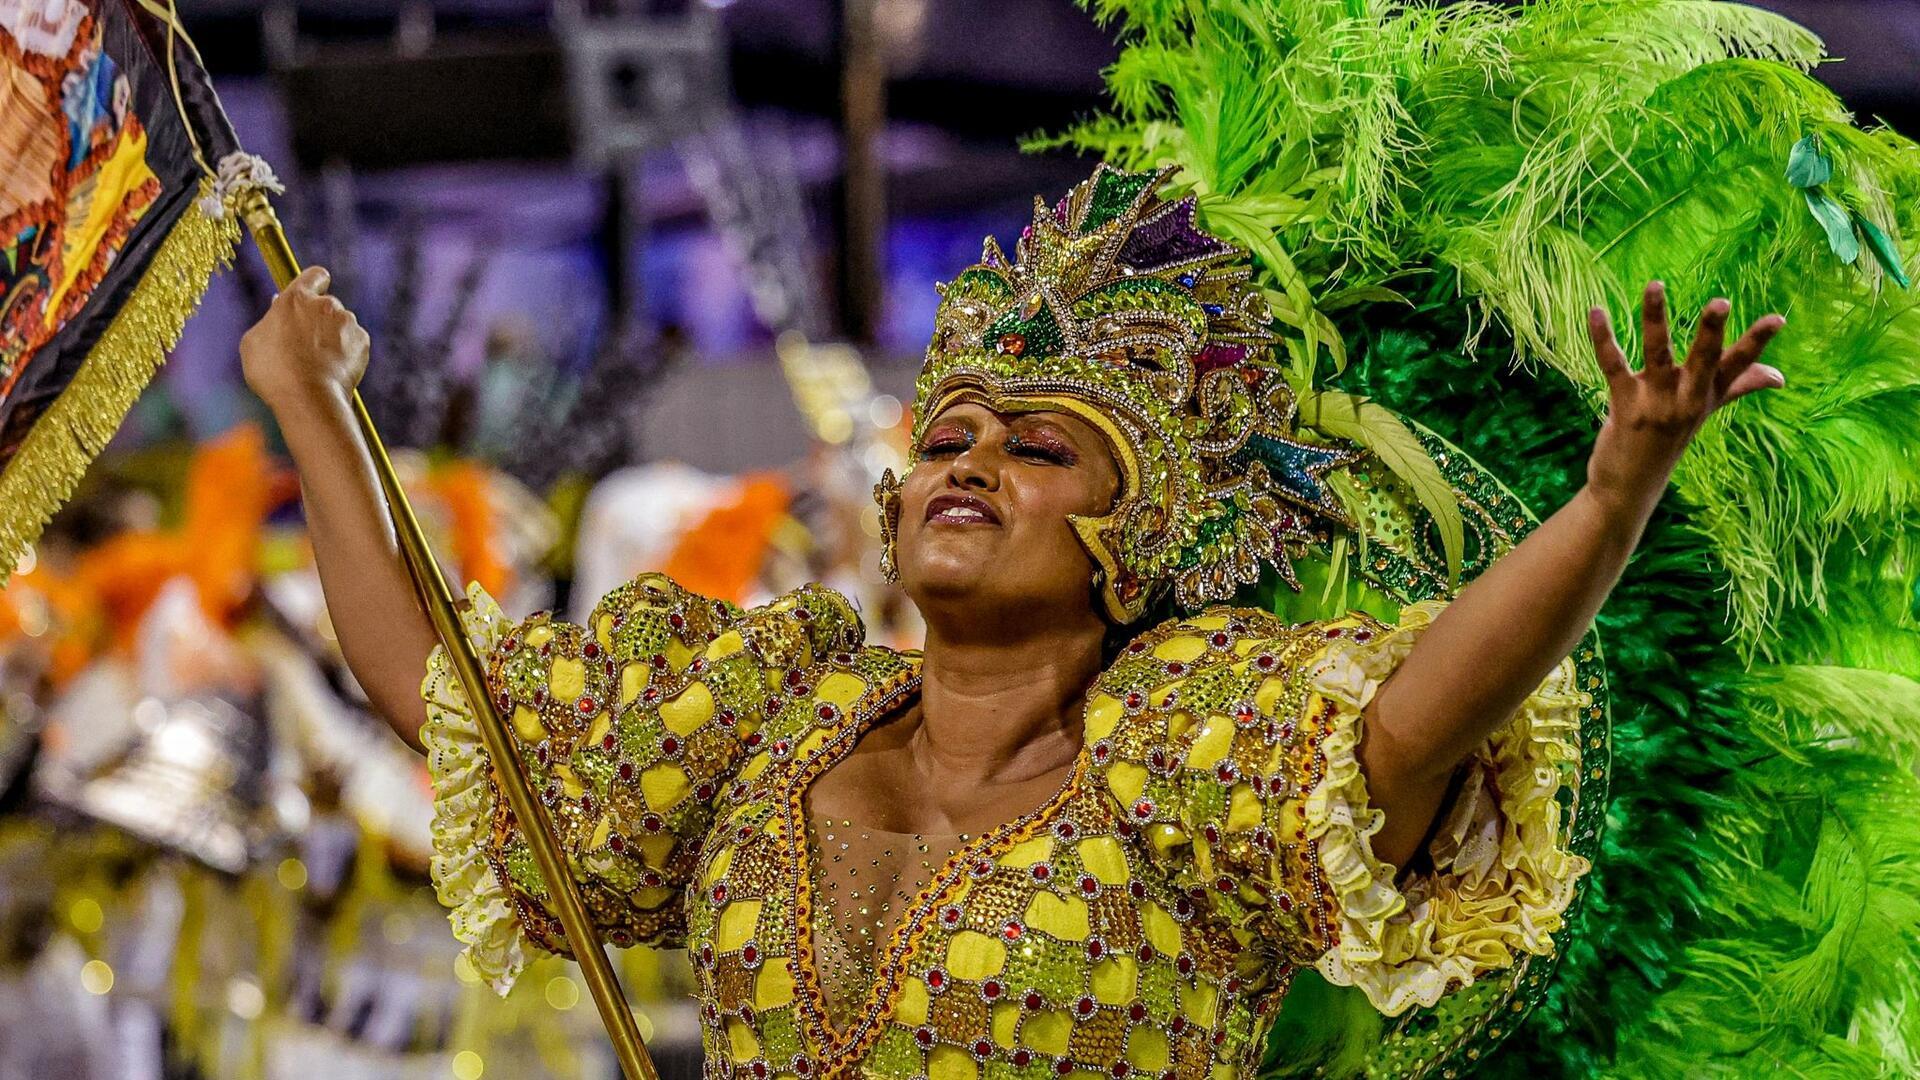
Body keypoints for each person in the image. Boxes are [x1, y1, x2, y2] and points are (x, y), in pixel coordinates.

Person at [240, 162, 1780, 1078]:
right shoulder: (761, 720)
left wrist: (1609, 499)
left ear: (1143, 534)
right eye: (955, 435)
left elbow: (1418, 721)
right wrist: (310, 403)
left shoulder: (1189, 754)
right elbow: (439, 684)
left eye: (1039, 448)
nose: (968, 459)